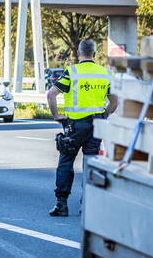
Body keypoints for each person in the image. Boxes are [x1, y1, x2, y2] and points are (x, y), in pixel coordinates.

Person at [46, 39, 118, 217]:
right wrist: (104, 115)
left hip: (75, 125)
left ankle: (61, 205)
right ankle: (87, 205)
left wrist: (56, 115)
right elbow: (115, 101)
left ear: (79, 53)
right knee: (91, 163)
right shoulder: (105, 73)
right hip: (97, 125)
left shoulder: (72, 72)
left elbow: (51, 94)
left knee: (66, 161)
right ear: (94, 54)